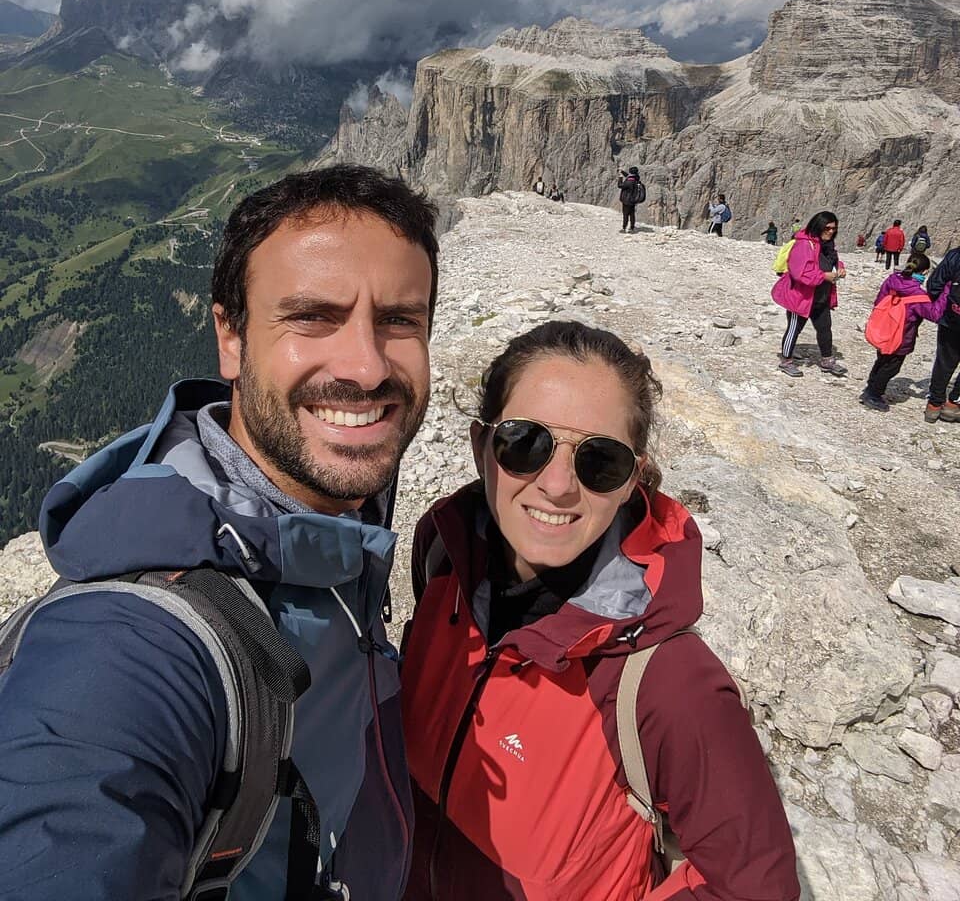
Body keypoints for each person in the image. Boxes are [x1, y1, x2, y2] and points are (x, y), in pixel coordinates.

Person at [0, 165, 439, 900]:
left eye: (399, 319)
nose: (366, 367)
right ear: (230, 338)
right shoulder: (137, 641)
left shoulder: (343, 506)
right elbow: (68, 818)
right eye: (312, 316)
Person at [400, 321, 800, 901]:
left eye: (599, 461)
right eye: (525, 443)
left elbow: (753, 887)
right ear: (481, 447)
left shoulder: (667, 684)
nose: (559, 485)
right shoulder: (444, 557)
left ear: (632, 480)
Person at [860, 253, 949, 412]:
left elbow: (879, 300)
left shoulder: (892, 280)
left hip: (884, 330)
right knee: (892, 367)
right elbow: (935, 314)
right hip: (901, 336)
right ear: (924, 272)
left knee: (882, 360)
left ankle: (870, 387)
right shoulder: (918, 296)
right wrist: (946, 291)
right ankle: (873, 394)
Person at [772, 210, 847, 378]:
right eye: (827, 228)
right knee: (794, 329)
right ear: (818, 226)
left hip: (821, 296)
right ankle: (786, 361)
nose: (831, 231)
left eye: (834, 228)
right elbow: (799, 273)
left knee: (825, 328)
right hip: (801, 297)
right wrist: (823, 276)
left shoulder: (827, 244)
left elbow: (832, 260)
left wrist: (840, 268)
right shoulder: (804, 244)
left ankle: (827, 360)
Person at [924, 242, 960, 423]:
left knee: (944, 361)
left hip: (951, 319)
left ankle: (934, 405)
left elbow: (933, 285)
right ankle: (953, 404)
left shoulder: (955, 255)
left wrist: (941, 306)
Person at [617, 166, 643, 232]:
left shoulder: (629, 182)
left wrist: (620, 177)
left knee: (625, 214)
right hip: (633, 200)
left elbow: (620, 185)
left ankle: (624, 228)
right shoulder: (636, 178)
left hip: (627, 200)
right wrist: (622, 172)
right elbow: (628, 176)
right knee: (632, 214)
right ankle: (632, 227)